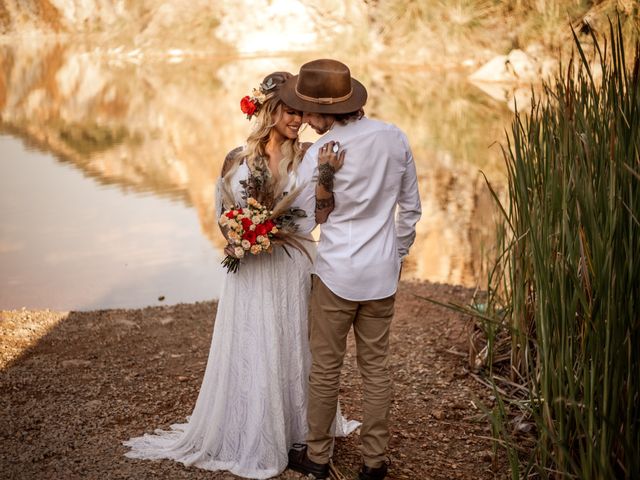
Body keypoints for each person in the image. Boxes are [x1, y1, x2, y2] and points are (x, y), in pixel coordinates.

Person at [123, 71, 358, 479]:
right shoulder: (237, 159)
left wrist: (324, 179)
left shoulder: (310, 157)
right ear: (268, 111)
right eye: (290, 111)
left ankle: (300, 435)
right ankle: (253, 431)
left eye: (302, 113)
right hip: (250, 270)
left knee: (293, 345)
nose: (299, 120)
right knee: (254, 342)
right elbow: (222, 210)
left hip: (293, 266)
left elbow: (323, 214)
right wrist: (239, 237)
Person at [280, 59, 422, 480]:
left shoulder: (320, 158)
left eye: (307, 110)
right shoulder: (394, 137)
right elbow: (410, 210)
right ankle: (374, 463)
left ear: (326, 111)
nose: (304, 118)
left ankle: (318, 459)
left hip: (336, 275)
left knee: (325, 368)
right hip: (380, 276)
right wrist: (395, 255)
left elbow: (305, 221)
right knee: (376, 369)